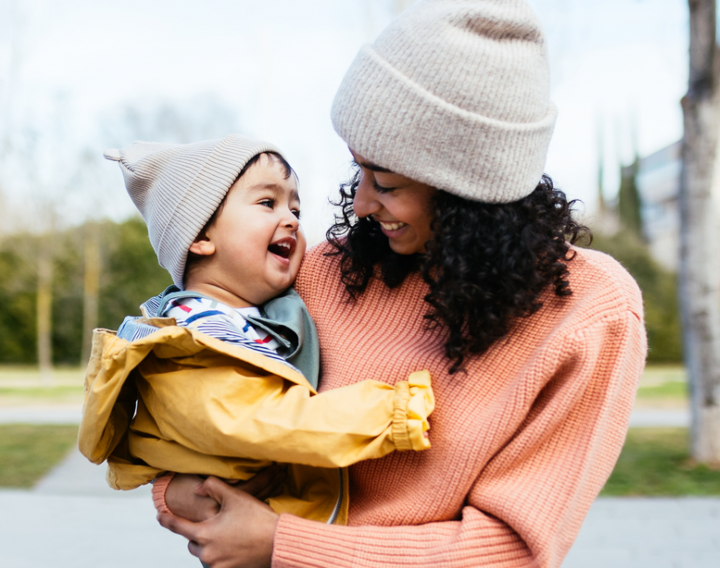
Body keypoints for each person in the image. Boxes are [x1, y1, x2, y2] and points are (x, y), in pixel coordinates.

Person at [157, 1, 647, 567]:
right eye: (357, 169)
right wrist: (184, 490)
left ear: (469, 191)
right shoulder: (323, 272)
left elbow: (516, 550)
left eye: (385, 182)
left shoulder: (588, 314)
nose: (361, 203)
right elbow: (192, 385)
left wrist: (283, 546)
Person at [77, 134, 435, 527]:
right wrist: (393, 413)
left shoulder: (258, 315)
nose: (292, 220)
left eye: (295, 207)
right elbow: (262, 422)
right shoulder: (192, 337)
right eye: (268, 203)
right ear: (199, 237)